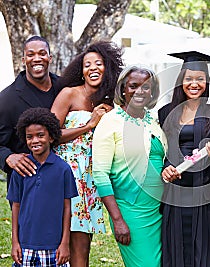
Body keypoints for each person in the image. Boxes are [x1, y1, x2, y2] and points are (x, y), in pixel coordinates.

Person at [51, 40, 123, 267]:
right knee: (59, 242)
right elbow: (50, 134)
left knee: (82, 246)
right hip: (65, 174)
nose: (92, 68)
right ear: (81, 71)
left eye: (98, 64)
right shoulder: (69, 94)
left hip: (91, 179)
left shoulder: (111, 102)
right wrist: (89, 124)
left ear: (108, 68)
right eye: (87, 65)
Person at [159, 51, 210, 267]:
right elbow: (163, 151)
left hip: (205, 191)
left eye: (200, 79)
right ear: (181, 80)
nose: (194, 84)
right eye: (189, 78)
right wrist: (166, 169)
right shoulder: (165, 112)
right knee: (176, 246)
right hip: (176, 192)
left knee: (205, 248)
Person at [92, 65, 167, 267]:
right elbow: (100, 174)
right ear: (123, 88)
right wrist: (117, 220)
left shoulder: (153, 121)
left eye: (146, 87)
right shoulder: (110, 122)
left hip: (158, 210)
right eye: (134, 86)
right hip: (131, 211)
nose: (139, 92)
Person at [7, 107, 78, 267]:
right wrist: (15, 242)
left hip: (54, 247)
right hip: (25, 246)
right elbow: (16, 206)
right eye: (29, 137)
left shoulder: (63, 169)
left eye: (40, 135)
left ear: (51, 137)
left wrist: (65, 243)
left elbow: (67, 208)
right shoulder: (20, 169)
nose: (35, 141)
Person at [0, 36, 59, 196]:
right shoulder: (7, 99)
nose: (37, 59)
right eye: (31, 55)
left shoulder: (64, 88)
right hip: (27, 185)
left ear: (50, 57)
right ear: (24, 59)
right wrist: (8, 157)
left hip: (64, 182)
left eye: (42, 53)